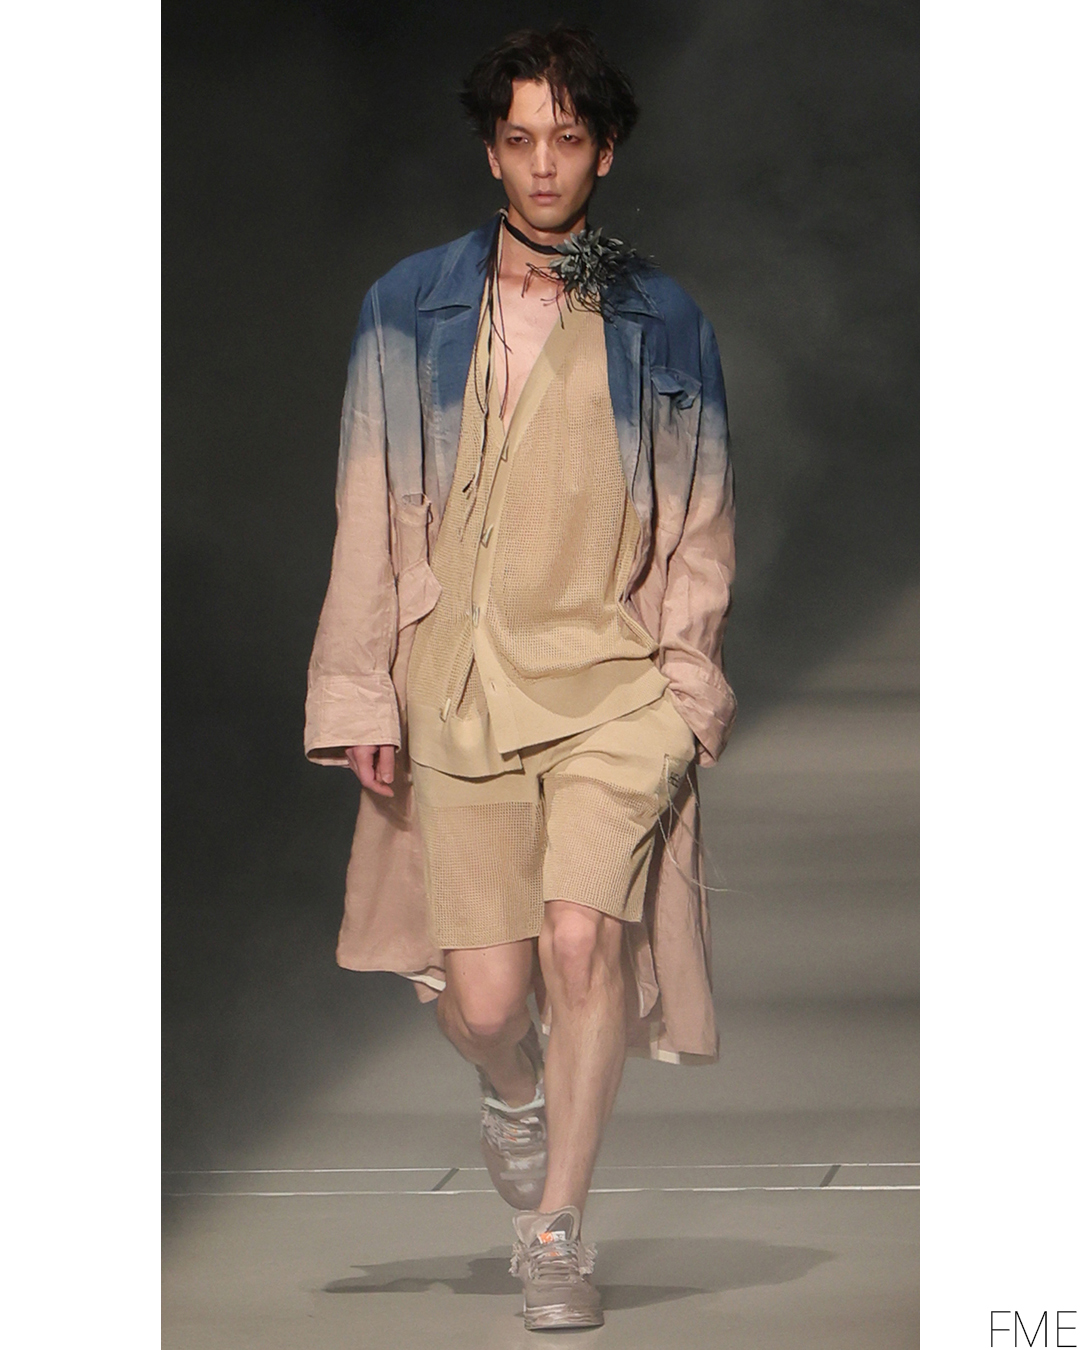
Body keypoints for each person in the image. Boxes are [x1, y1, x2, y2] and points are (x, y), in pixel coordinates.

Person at [304, 24, 735, 1332]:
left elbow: (702, 517)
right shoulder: (410, 306)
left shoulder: (659, 316)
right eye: (520, 139)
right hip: (461, 688)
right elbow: (370, 508)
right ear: (490, 152)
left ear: (606, 152)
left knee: (582, 939)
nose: (545, 164)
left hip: (615, 690)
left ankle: (555, 1229)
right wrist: (359, 691)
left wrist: (687, 686)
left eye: (568, 139)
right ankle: (513, 1090)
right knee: (489, 1004)